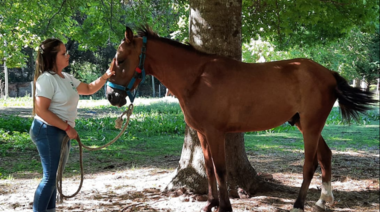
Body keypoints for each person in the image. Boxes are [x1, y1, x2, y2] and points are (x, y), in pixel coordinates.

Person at [29, 38, 115, 212]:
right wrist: (67, 128)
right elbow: (41, 111)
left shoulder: (66, 78)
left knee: (54, 177)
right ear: (53, 58)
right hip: (47, 131)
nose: (68, 55)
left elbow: (89, 88)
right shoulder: (46, 79)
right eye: (63, 53)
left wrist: (106, 75)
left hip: (60, 132)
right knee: (50, 179)